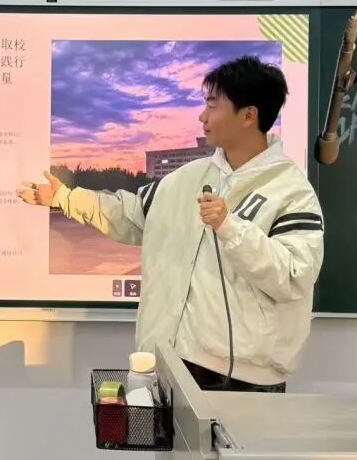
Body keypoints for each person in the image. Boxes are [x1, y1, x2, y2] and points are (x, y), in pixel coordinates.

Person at [17, 55, 323, 392]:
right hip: (171, 363)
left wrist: (231, 228)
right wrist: (65, 198)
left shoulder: (290, 190)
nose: (203, 116)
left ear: (249, 115)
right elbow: (130, 213)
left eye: (213, 105)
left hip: (248, 379)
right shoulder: (185, 179)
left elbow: (293, 276)